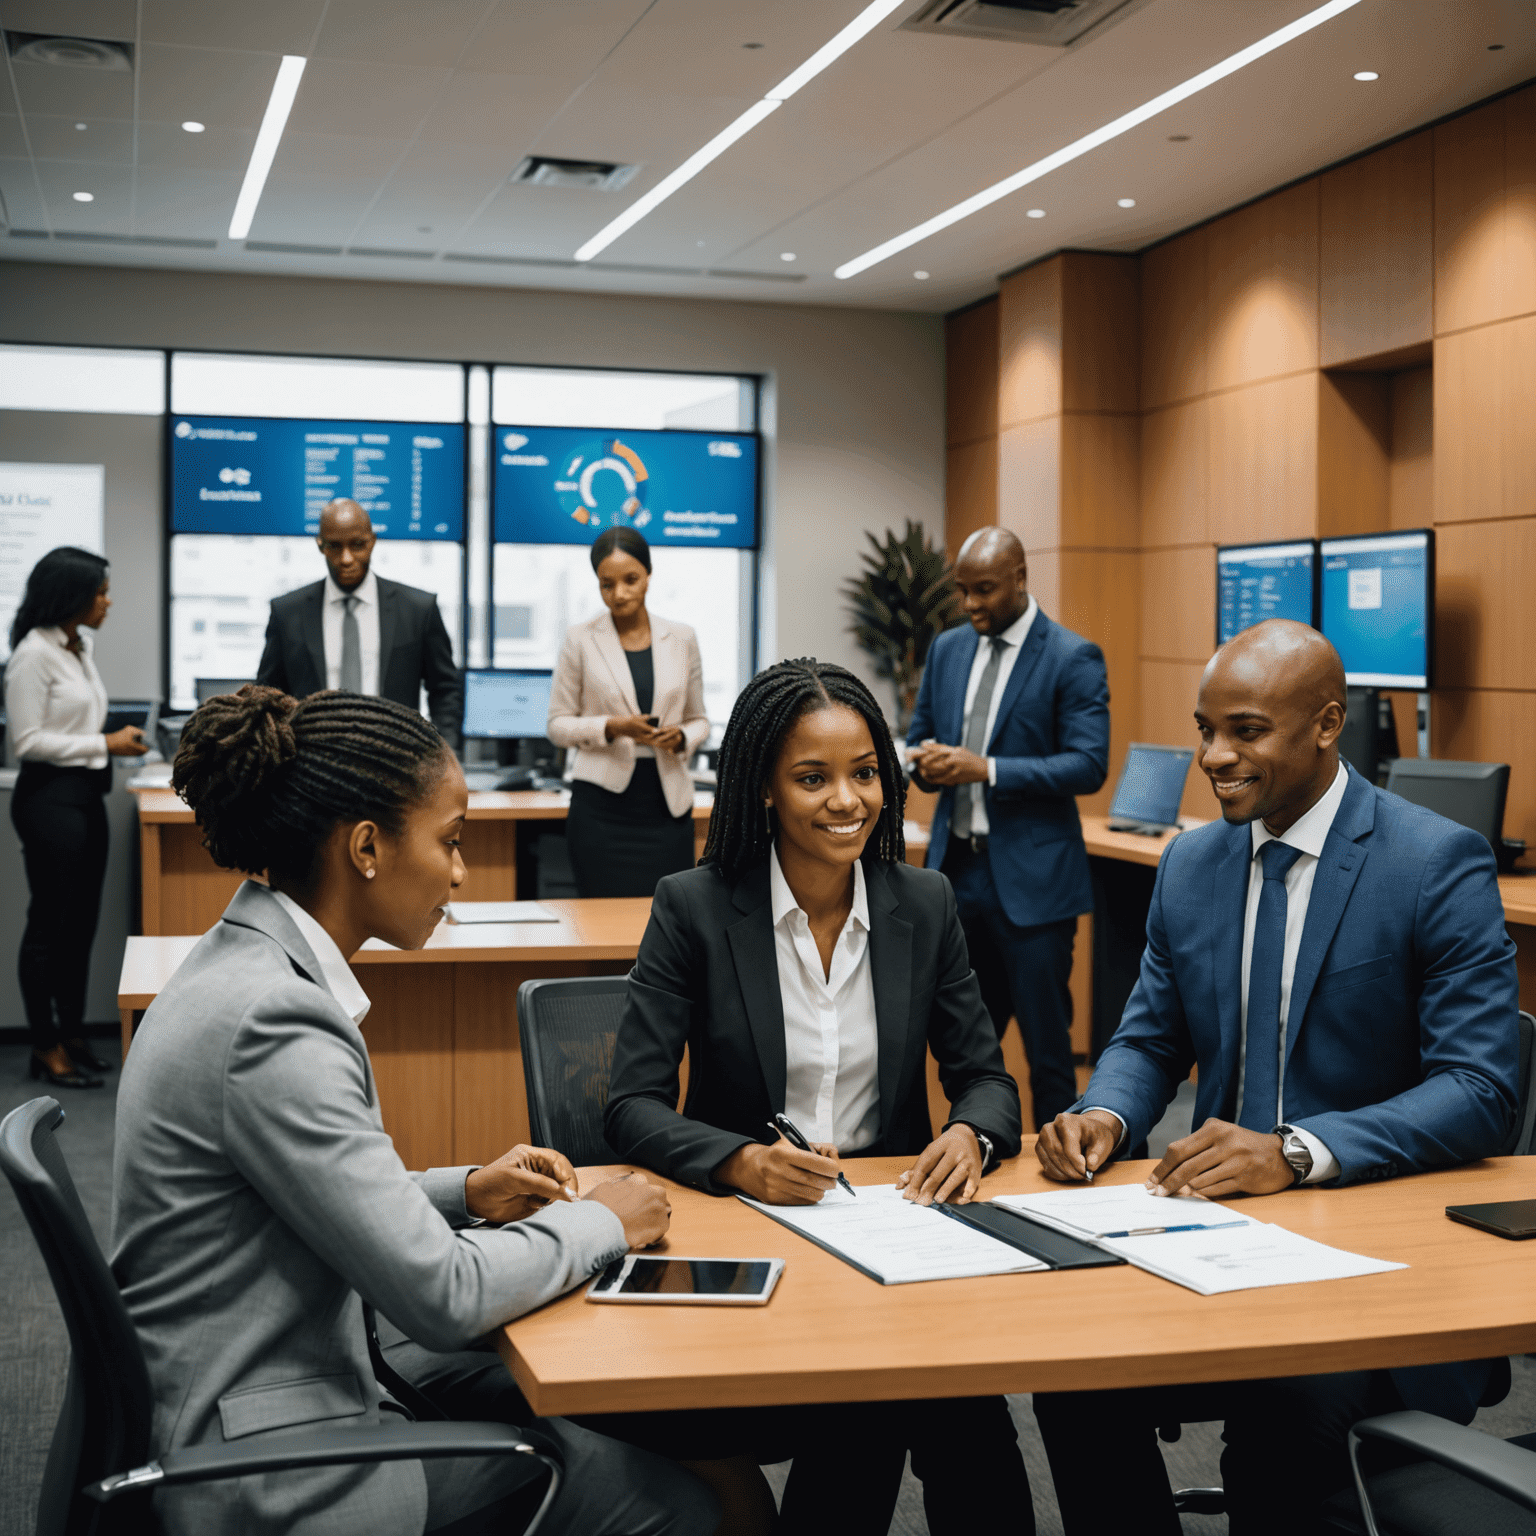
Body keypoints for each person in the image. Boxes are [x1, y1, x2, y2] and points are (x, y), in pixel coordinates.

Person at [111, 686, 717, 1536]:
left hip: (249, 1393)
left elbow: (292, 1194)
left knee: (613, 1427)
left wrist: (465, 1191)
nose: (462, 872)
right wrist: (606, 1223)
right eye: (451, 841)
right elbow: (444, 1296)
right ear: (365, 848)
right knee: (690, 1505)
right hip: (268, 1468)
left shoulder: (242, 964)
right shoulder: (274, 1022)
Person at [1031, 619, 1522, 1536]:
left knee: (1283, 1418)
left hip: (1378, 1263)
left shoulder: (1432, 862)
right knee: (1073, 1374)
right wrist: (1104, 1113)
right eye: (1205, 728)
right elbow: (1148, 1041)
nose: (1214, 756)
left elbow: (1482, 1091)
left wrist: (1299, 1152)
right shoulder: (1191, 862)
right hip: (1208, 1232)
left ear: (1328, 724)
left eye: (1245, 731)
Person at [605, 657, 1031, 1536]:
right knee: (874, 1406)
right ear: (764, 788)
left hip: (898, 1233)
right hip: (761, 1241)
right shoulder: (693, 907)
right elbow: (631, 1106)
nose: (848, 800)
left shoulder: (924, 902)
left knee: (969, 1423)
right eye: (814, 778)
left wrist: (971, 1137)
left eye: (866, 773)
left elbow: (986, 1080)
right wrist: (741, 1160)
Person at [907, 526, 1109, 1130]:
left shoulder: (1071, 656)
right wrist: (928, 765)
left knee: (1048, 1050)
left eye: (985, 590)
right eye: (963, 591)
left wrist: (986, 769)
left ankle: (1063, 1173)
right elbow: (919, 737)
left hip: (1034, 888)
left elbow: (1088, 763)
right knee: (967, 1049)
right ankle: (973, 1152)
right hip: (956, 876)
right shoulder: (948, 650)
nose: (971, 605)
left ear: (1020, 578)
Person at [5, 546, 147, 1089]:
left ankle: (72, 1037)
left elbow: (75, 721)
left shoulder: (75, 646)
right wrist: (105, 742)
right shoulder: (32, 654)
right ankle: (45, 1046)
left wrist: (109, 744)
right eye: (101, 592)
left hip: (85, 797)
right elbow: (28, 741)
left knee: (80, 926)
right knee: (50, 926)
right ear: (71, 596)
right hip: (49, 802)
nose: (108, 601)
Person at [547, 528, 709, 897]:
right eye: (607, 584)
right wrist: (612, 726)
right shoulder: (580, 638)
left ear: (649, 575)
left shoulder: (682, 638)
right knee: (602, 925)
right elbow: (557, 725)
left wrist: (683, 736)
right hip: (602, 810)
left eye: (631, 580)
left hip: (667, 806)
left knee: (668, 926)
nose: (619, 594)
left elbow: (699, 719)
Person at [256, 497, 462, 745]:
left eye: (357, 545)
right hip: (310, 765)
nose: (346, 559)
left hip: (396, 764)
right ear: (320, 545)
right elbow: (266, 697)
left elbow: (445, 690)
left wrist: (443, 760)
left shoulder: (417, 609)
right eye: (334, 546)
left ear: (372, 542)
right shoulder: (288, 613)